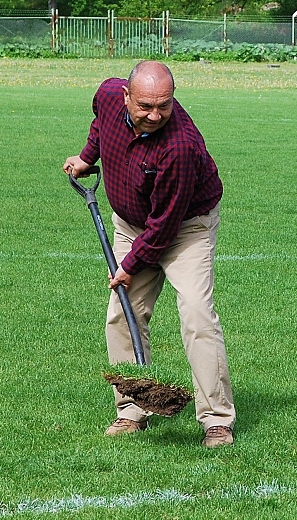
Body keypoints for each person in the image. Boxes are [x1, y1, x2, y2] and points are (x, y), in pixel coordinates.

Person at [63, 60, 236, 448]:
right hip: (131, 220)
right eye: (145, 106)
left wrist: (128, 267)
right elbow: (100, 124)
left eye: (164, 105)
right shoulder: (109, 95)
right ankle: (131, 410)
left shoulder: (180, 145)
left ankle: (216, 419)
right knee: (122, 315)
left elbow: (164, 225)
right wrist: (89, 156)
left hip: (185, 227)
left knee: (196, 314)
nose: (155, 115)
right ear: (125, 96)